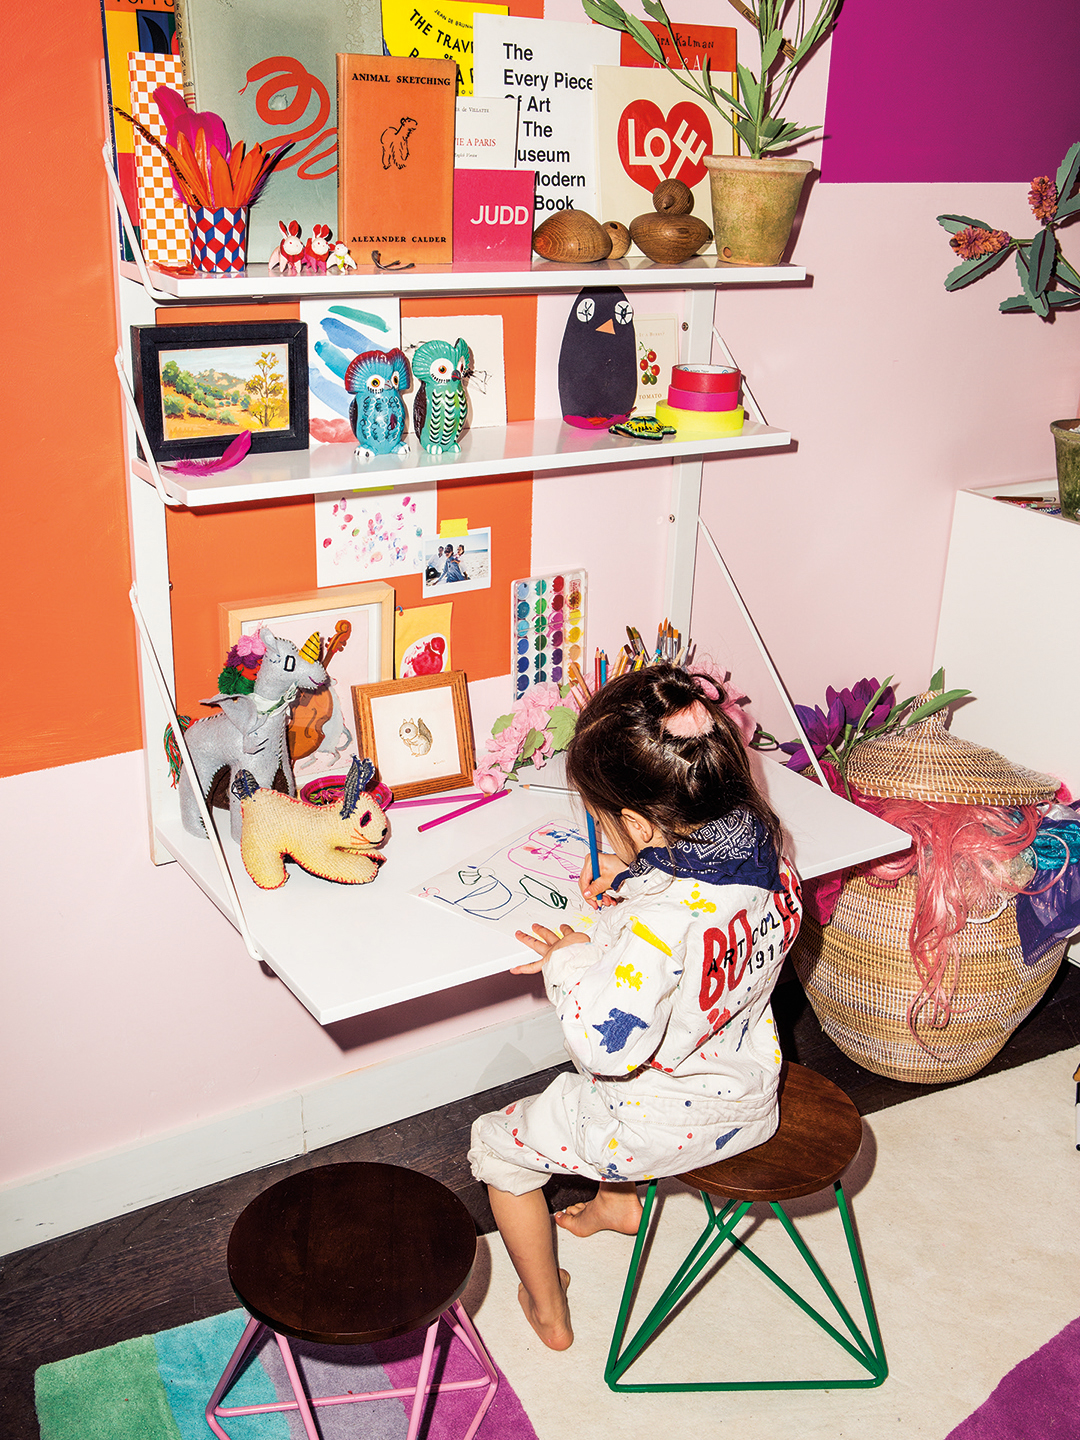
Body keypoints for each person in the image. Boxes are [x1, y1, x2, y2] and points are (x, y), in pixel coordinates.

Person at [467, 663, 802, 1351]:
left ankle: (548, 1308)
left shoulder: (656, 923)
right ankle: (618, 1207)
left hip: (659, 1126)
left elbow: (605, 1043)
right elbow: (706, 930)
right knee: (627, 1073)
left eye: (601, 823)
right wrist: (637, 879)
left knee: (496, 1145)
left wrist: (569, 959)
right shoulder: (764, 850)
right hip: (747, 1090)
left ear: (636, 823)